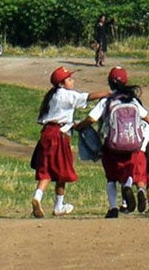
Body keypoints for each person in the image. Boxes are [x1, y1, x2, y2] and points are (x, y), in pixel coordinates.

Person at [89, 65, 149, 218]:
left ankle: (113, 208)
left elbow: (92, 118)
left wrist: (80, 125)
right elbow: (146, 117)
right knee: (129, 170)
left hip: (111, 144)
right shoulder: (133, 100)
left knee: (111, 177)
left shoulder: (107, 100)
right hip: (132, 144)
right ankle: (129, 186)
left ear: (110, 82)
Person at [30, 66, 99, 218]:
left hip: (46, 134)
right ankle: (58, 206)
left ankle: (37, 196)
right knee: (62, 170)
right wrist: (108, 94)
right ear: (61, 84)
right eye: (68, 79)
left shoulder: (52, 96)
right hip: (59, 136)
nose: (72, 81)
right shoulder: (66, 95)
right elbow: (87, 97)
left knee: (46, 170)